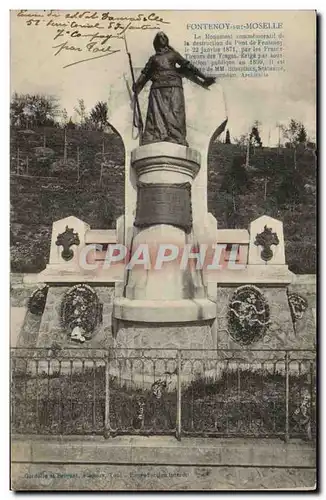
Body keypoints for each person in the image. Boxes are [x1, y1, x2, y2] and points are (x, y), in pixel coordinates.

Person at [133, 32, 216, 147]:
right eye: (159, 37)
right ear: (156, 42)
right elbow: (145, 73)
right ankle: (157, 136)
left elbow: (188, 66)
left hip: (174, 86)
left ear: (167, 40)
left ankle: (177, 137)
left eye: (163, 37)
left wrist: (204, 78)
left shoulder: (173, 54)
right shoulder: (153, 59)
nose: (162, 38)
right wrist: (137, 85)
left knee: (176, 113)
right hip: (157, 89)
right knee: (156, 116)